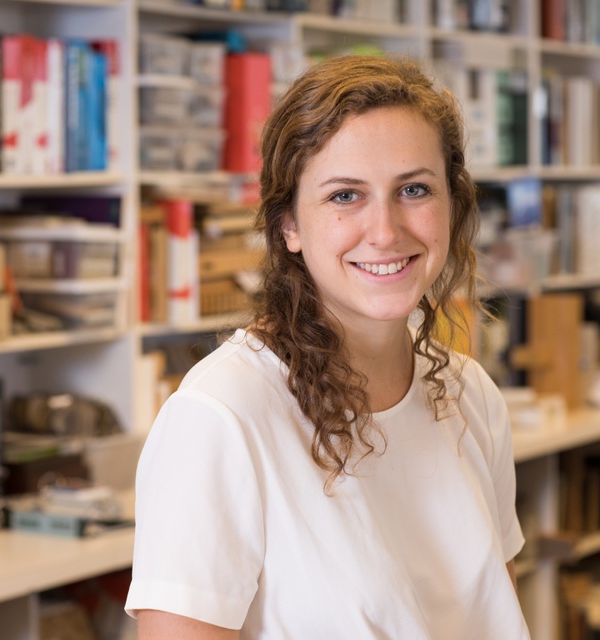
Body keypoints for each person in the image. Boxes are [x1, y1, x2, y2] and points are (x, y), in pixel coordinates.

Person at [125, 54, 530, 639]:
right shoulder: (221, 416)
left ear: (453, 205)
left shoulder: (470, 396)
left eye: (414, 189)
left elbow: (495, 614)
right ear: (289, 223)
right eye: (345, 196)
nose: (386, 231)